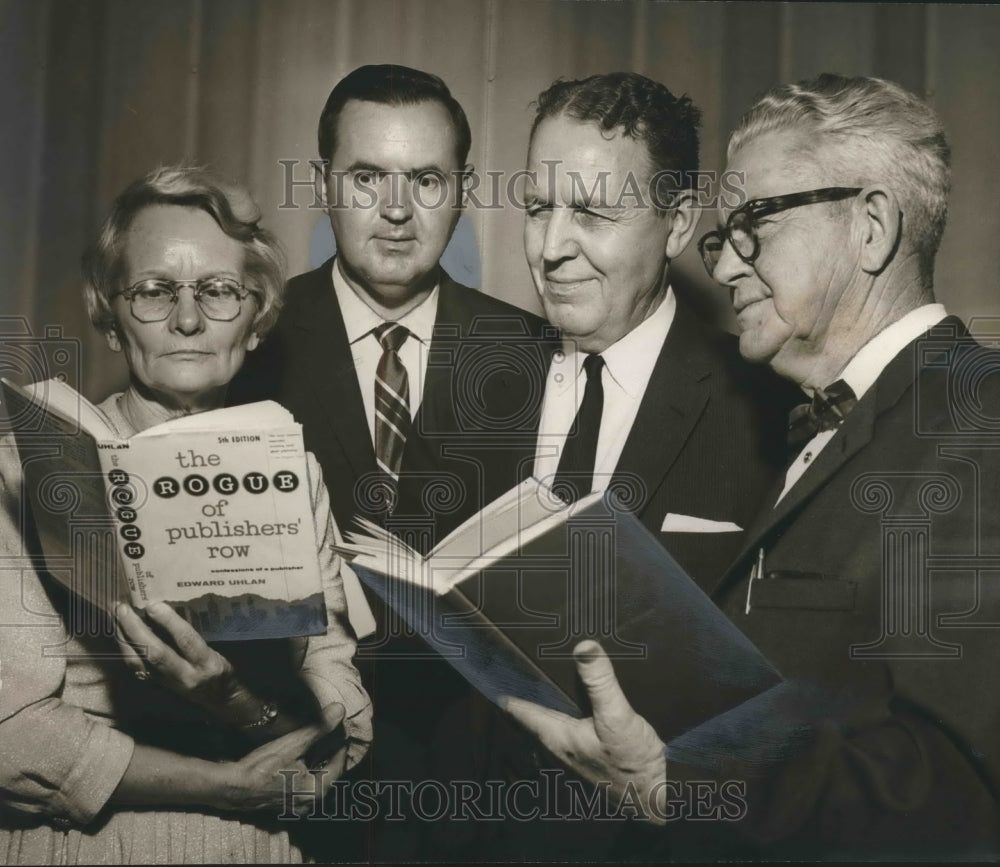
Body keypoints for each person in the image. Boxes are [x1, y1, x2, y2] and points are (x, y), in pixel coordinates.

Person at [505, 74, 1000, 859]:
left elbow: (960, 792)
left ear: (870, 227)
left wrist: (683, 779)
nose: (728, 267)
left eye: (754, 227)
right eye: (721, 236)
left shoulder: (978, 427)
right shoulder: (819, 423)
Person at [0, 165, 372, 864]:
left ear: (256, 320)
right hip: (76, 849)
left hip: (250, 849)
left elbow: (340, 739)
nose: (190, 319)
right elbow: (10, 734)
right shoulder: (23, 464)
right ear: (109, 316)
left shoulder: (296, 474)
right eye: (154, 291)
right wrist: (225, 785)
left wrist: (231, 697)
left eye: (220, 291)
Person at [525, 72, 791, 588]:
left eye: (591, 212)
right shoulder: (472, 380)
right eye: (539, 209)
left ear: (678, 224)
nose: (551, 247)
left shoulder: (768, 408)